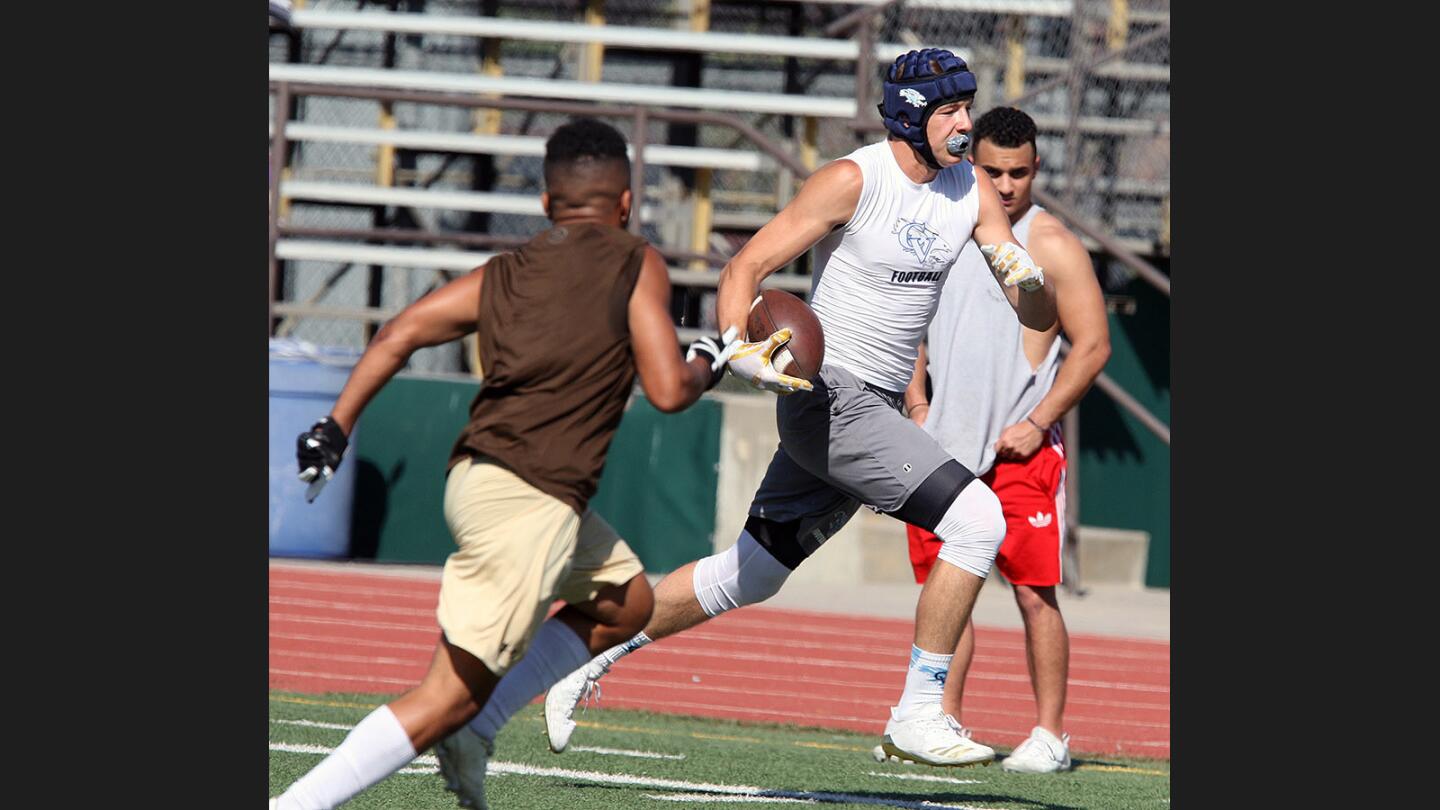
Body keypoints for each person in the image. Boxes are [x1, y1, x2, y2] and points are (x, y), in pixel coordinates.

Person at [538, 49, 1057, 770]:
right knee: (977, 520)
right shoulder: (856, 177)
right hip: (829, 394)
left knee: (751, 573)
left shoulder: (972, 189)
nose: (967, 124)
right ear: (910, 116)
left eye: (967, 106)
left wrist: (1029, 283)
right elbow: (743, 269)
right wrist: (736, 345)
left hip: (871, 407)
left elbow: (1034, 311)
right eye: (950, 110)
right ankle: (918, 709)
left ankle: (581, 652)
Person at [269, 117, 763, 810]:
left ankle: (483, 729)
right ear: (626, 203)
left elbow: (401, 330)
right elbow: (667, 390)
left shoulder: (504, 271)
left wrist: (335, 426)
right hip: (531, 498)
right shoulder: (635, 259)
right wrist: (715, 359)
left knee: (627, 602)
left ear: (545, 203)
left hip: (478, 478)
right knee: (444, 698)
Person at [889, 106, 1111, 774]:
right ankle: (935, 719)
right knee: (943, 589)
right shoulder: (944, 228)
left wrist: (1038, 419)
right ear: (969, 164)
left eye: (1019, 172)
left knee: (1034, 593)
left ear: (1036, 167)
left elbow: (1092, 346)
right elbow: (909, 319)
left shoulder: (1053, 245)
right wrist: (918, 399)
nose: (1007, 185)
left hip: (1021, 450)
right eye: (994, 171)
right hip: (943, 450)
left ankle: (1049, 735)